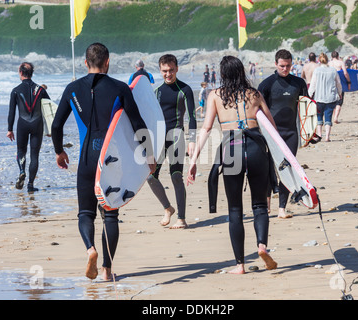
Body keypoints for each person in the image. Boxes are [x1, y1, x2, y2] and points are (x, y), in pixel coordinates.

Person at [52, 43, 156, 280]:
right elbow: (138, 123)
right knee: (110, 214)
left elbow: (56, 125)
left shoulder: (72, 89)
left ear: (85, 63)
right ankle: (107, 270)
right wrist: (148, 156)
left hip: (87, 158)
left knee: (85, 213)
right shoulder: (120, 88)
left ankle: (91, 249)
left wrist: (59, 152)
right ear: (107, 62)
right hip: (111, 159)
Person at [187, 55, 278, 274]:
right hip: (256, 148)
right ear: (241, 72)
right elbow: (272, 127)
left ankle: (240, 266)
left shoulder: (215, 96)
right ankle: (262, 246)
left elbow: (206, 128)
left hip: (232, 149)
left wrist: (193, 159)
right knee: (259, 205)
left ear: (223, 74)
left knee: (235, 209)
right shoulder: (254, 94)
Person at [147, 54, 196, 229]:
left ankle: (181, 218)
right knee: (150, 176)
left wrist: (192, 140)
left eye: (171, 70)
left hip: (176, 136)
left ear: (176, 69)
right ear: (160, 70)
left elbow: (192, 117)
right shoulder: (157, 91)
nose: (168, 74)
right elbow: (150, 117)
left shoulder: (185, 90)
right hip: (159, 138)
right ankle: (168, 208)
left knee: (176, 176)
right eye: (164, 71)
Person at [257, 49, 308, 219]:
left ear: (291, 64)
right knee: (267, 170)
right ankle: (266, 205)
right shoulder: (266, 84)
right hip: (271, 134)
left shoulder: (299, 83)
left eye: (287, 66)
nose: (285, 69)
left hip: (291, 133)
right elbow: (258, 112)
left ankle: (281, 209)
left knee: (287, 169)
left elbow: (307, 108)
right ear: (275, 64)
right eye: (281, 66)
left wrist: (309, 132)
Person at [7, 62, 51, 192]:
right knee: (34, 155)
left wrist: (9, 129)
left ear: (20, 72)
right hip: (37, 124)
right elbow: (49, 108)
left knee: (21, 151)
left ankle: (21, 171)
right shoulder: (40, 90)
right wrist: (51, 128)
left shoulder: (15, 90)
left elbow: (12, 112)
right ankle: (30, 185)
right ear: (32, 73)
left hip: (22, 124)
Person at [308, 53, 342, 142]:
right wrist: (340, 92)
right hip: (330, 97)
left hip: (319, 97)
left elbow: (313, 84)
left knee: (319, 116)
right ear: (327, 60)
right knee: (328, 116)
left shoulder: (317, 70)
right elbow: (338, 83)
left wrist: (309, 94)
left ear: (319, 60)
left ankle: (319, 135)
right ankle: (327, 137)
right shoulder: (333, 70)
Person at [329, 51, 350, 124]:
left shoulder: (329, 63)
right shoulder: (341, 62)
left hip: (330, 83)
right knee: (339, 100)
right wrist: (349, 81)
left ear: (331, 56)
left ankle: (334, 116)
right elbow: (345, 73)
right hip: (339, 83)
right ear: (338, 56)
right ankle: (335, 117)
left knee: (333, 100)